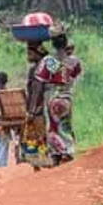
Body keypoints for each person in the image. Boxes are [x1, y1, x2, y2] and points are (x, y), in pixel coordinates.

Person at [30, 27, 83, 165]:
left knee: (53, 126)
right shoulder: (74, 61)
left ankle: (58, 153)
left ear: (52, 43)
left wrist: (33, 107)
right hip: (67, 98)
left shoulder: (48, 61)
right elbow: (73, 75)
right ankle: (68, 151)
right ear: (65, 42)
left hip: (53, 98)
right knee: (65, 125)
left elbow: (39, 85)